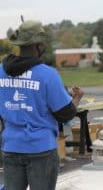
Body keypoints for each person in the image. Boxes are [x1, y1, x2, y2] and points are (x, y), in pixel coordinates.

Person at [0, 20, 84, 190]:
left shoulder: (1, 71)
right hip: (41, 149)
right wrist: (75, 100)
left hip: (11, 146)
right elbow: (65, 113)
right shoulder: (48, 75)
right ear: (38, 45)